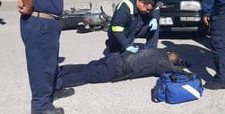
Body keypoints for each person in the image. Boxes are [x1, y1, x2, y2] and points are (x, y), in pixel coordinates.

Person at [12, 0, 74, 114]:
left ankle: (54, 89)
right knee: (41, 64)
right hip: (39, 23)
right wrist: (27, 2)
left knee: (50, 61)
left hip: (47, 23)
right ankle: (40, 105)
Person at [60, 48, 190, 87]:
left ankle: (61, 70)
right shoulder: (163, 62)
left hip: (115, 56)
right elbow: (173, 69)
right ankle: (58, 83)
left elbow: (171, 58)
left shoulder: (156, 50)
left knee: (88, 66)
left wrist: (181, 61)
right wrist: (185, 72)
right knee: (88, 76)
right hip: (119, 68)